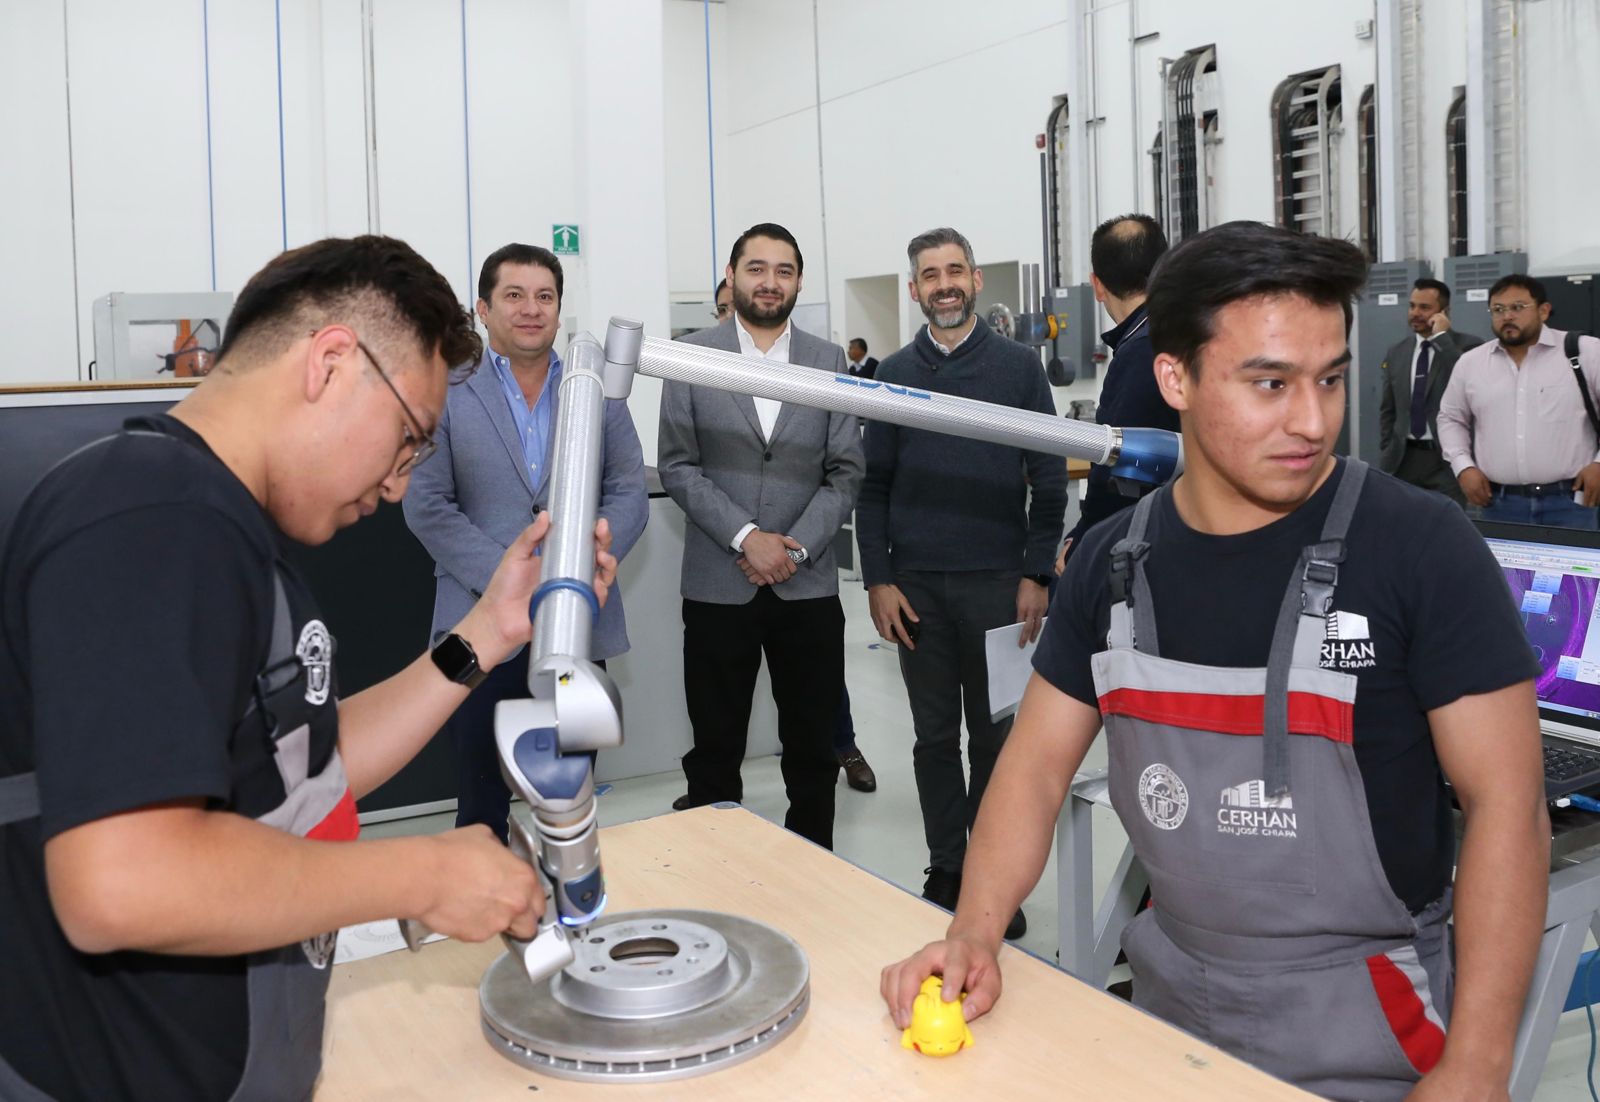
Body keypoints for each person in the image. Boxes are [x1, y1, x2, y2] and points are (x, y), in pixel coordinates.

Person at [881, 221, 1547, 1102]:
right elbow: (1035, 770)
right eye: (1270, 383)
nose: (1312, 420)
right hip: (1171, 1014)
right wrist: (974, 930)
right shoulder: (1115, 566)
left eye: (1330, 379)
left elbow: (1510, 805)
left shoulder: (1421, 548)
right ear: (1175, 379)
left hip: (1376, 1026)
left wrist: (1478, 1064)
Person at [0, 235, 618, 1101]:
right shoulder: (149, 518)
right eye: (408, 439)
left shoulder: (224, 526)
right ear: (331, 363)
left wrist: (488, 630)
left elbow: (300, 767)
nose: (398, 485)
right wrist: (422, 874)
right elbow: (122, 881)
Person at [857, 227, 1068, 941]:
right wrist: (879, 579)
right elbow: (873, 486)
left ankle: (990, 877)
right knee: (933, 739)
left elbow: (1048, 475)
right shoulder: (892, 372)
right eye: (930, 274)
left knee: (997, 740)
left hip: (998, 587)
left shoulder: (1018, 368)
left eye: (955, 271)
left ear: (976, 280)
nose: (943, 284)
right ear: (914, 289)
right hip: (917, 588)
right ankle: (946, 867)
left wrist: (1036, 571)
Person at [404, 243, 647, 844]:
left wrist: (580, 561)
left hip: (578, 623)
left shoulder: (595, 388)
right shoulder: (447, 389)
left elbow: (628, 489)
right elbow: (427, 505)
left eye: (545, 296)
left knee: (569, 805)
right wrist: (512, 578)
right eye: (514, 295)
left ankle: (565, 899)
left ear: (559, 311)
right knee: (479, 809)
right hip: (479, 624)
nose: (531, 309)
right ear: (483, 310)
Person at [658, 222, 863, 849]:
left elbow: (845, 469)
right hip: (720, 586)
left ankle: (811, 871)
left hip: (808, 586)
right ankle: (722, 878)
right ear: (731, 276)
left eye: (783, 270)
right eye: (756, 268)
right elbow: (678, 465)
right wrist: (747, 536)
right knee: (715, 751)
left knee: (812, 752)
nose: (770, 282)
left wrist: (792, 546)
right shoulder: (690, 356)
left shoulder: (829, 362)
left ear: (798, 281)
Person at [1055, 213, 1179, 575]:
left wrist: (1084, 540)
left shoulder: (1140, 352)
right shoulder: (1182, 333)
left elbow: (1119, 465)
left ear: (1097, 285)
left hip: (1149, 544)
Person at [1438, 273, 1600, 529]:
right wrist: (1463, 467)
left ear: (1543, 311)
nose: (1507, 316)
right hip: (1500, 504)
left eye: (1517, 307)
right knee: (1502, 559)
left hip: (1571, 503)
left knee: (1574, 558)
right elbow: (1450, 418)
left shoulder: (1584, 352)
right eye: (1498, 309)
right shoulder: (1471, 363)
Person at [1376, 278, 1484, 505]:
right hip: (1403, 459)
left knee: (1446, 523)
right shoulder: (1397, 352)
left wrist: (1441, 338)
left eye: (1424, 307)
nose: (1415, 313)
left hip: (1445, 461)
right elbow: (1388, 409)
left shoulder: (1469, 346)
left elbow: (1469, 382)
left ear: (1444, 312)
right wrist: (1387, 447)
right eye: (1412, 306)